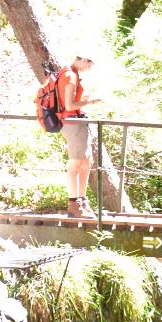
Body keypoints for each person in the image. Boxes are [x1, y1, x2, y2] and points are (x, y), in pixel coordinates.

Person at [58, 55, 101, 220]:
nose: (92, 65)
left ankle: (82, 201)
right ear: (82, 59)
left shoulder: (72, 74)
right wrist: (91, 102)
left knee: (86, 161)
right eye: (91, 61)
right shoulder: (69, 76)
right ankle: (73, 204)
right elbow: (69, 105)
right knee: (76, 161)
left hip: (77, 121)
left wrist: (84, 101)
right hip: (72, 123)